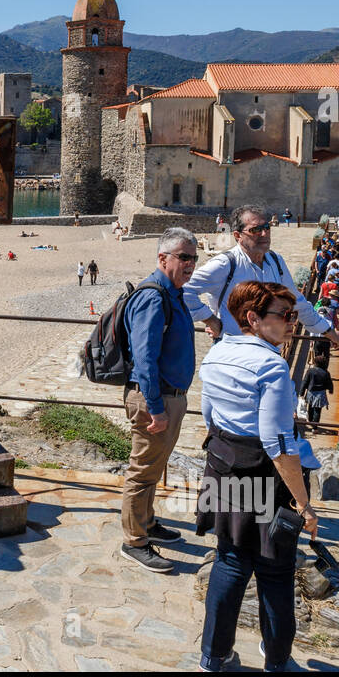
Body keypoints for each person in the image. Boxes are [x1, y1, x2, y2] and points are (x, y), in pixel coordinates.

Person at [195, 281, 319, 672]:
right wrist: (304, 503)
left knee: (229, 561)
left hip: (223, 465)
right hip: (267, 477)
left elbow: (209, 416)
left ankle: (213, 657)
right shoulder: (271, 365)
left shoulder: (215, 355)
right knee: (276, 571)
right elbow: (278, 444)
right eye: (284, 316)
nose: (291, 323)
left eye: (293, 315)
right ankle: (277, 660)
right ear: (252, 318)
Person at [118, 228, 199, 574]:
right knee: (142, 471)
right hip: (156, 400)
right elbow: (145, 359)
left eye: (194, 257)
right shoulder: (153, 297)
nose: (190, 264)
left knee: (153, 467)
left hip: (171, 397)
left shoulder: (174, 293)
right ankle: (134, 542)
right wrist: (155, 408)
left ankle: (147, 523)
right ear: (162, 258)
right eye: (183, 257)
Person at [183, 204, 339, 350]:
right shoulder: (225, 264)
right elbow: (183, 290)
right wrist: (210, 319)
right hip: (234, 353)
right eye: (255, 230)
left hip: (270, 352)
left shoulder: (276, 261)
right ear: (238, 235)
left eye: (267, 227)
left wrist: (329, 332)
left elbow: (297, 302)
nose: (264, 233)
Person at [300, 352, 334, 430]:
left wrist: (301, 393)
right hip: (321, 393)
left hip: (311, 392)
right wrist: (330, 390)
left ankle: (310, 420)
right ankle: (315, 427)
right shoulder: (326, 372)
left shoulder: (310, 371)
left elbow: (305, 382)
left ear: (315, 363)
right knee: (318, 411)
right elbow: (329, 382)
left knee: (310, 407)